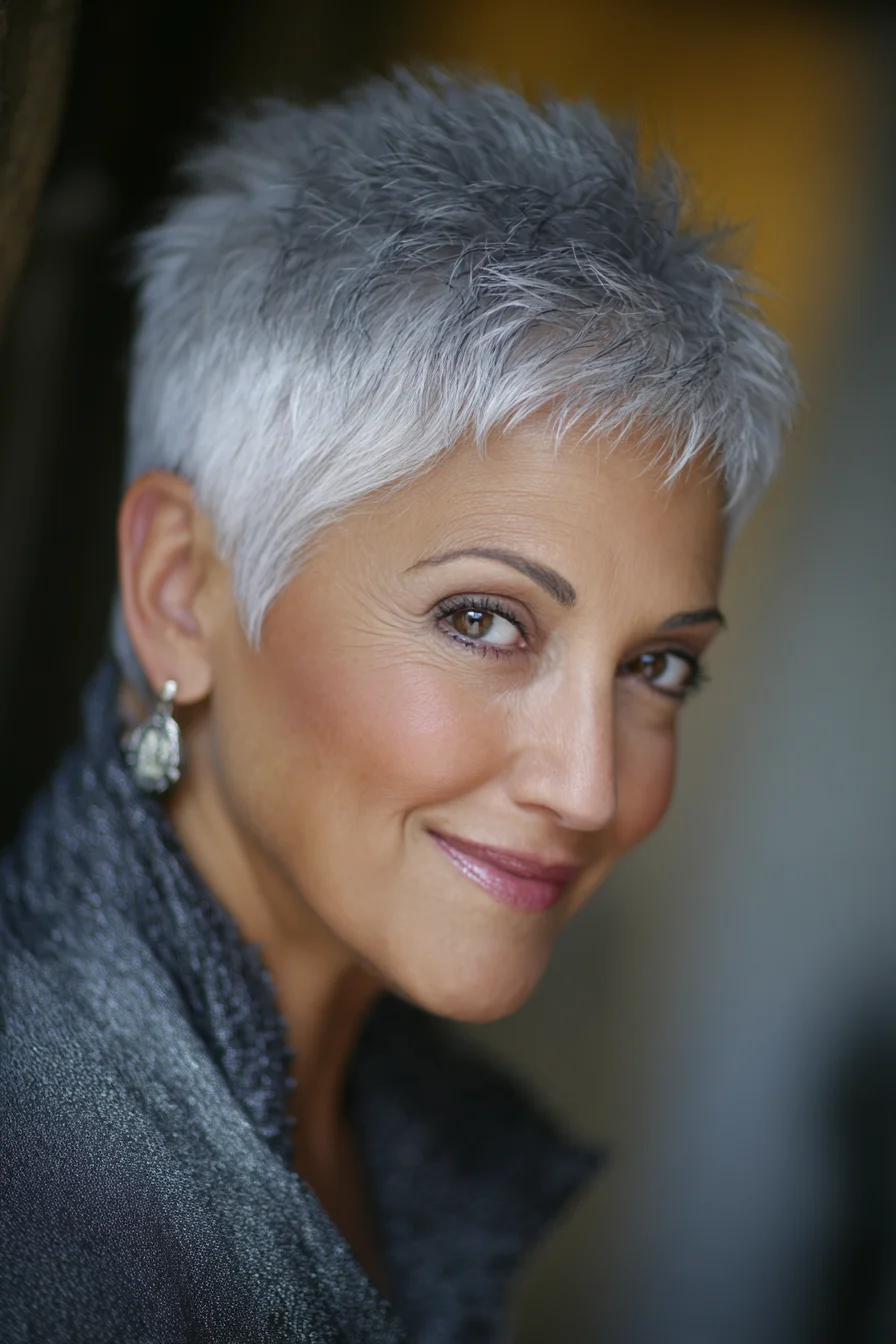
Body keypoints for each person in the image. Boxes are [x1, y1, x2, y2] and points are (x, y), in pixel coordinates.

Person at [0, 68, 796, 1343]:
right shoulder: (42, 1202)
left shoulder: (390, 1134)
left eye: (656, 666)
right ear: (180, 593)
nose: (586, 786)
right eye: (482, 620)